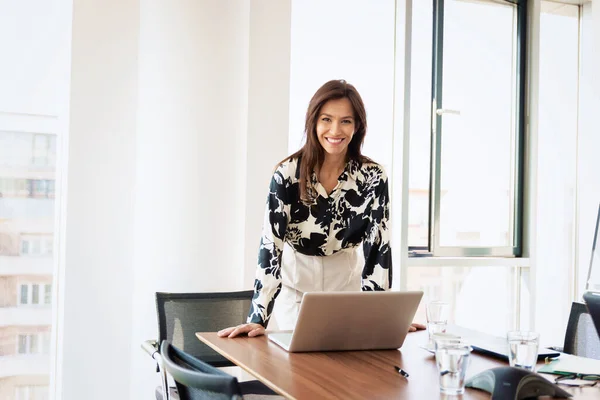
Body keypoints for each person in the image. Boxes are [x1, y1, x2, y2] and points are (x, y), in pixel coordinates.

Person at [218, 79, 425, 338]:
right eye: (327, 119)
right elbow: (271, 246)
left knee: (349, 369)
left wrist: (382, 315)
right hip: (296, 288)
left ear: (357, 126)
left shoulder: (373, 176)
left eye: (346, 121)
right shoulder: (288, 174)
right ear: (313, 121)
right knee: (302, 368)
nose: (335, 130)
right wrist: (257, 318)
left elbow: (378, 250)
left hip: (346, 287)